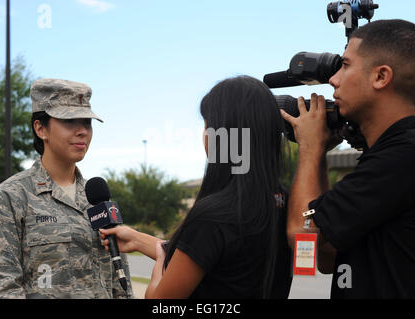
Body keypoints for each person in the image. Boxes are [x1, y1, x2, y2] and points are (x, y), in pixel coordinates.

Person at [101, 75, 293, 299]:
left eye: (208, 126)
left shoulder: (214, 216)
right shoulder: (284, 202)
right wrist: (138, 239)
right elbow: (209, 252)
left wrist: (160, 269)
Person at [281, 19, 415, 298]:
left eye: (345, 65)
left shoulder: (404, 156)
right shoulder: (392, 154)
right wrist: (319, 152)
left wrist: (308, 148)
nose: (333, 79)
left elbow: (302, 237)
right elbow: (324, 256)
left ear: (381, 77)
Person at [0, 79, 133, 299]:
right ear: (41, 128)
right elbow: (0, 289)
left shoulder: (97, 198)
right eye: (70, 121)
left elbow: (121, 285)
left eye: (87, 123)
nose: (82, 131)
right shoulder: (11, 197)